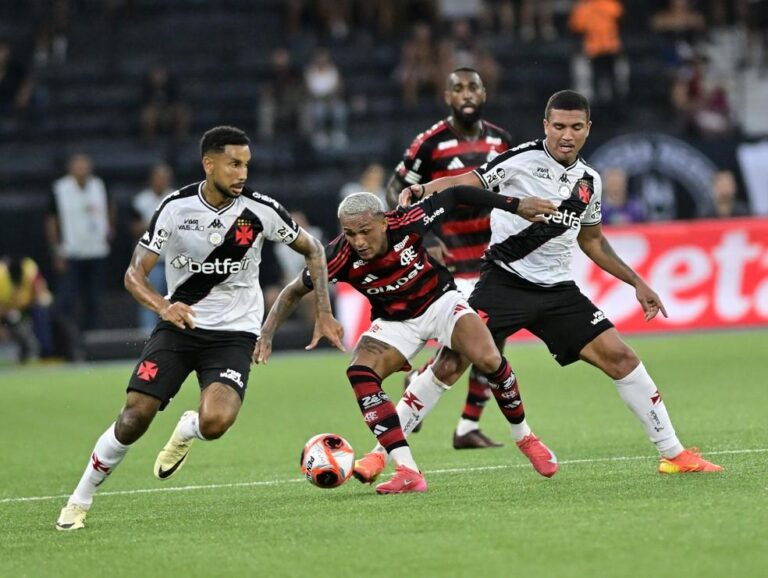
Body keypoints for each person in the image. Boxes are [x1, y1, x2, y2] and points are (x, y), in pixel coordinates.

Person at [398, 90, 723, 475]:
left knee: (622, 358)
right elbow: (470, 180)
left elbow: (592, 240)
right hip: (504, 281)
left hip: (557, 292)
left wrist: (636, 282)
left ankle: (674, 455)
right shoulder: (522, 159)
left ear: (588, 129)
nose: (566, 135)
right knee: (451, 362)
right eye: (559, 126)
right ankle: (379, 449)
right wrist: (424, 190)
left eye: (575, 127)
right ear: (545, 126)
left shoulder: (589, 181)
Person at [55, 126, 344, 531]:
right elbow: (133, 274)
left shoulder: (261, 211)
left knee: (216, 422)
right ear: (209, 164)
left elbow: (313, 249)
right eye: (234, 164)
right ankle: (78, 500)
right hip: (180, 327)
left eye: (246, 164)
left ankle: (188, 427)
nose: (243, 173)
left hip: (234, 334)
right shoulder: (175, 209)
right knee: (134, 417)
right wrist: (163, 306)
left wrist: (324, 311)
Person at [256, 189, 559, 494]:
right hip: (395, 322)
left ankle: (524, 437)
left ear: (384, 223)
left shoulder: (407, 221)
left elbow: (455, 195)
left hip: (440, 303)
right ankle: (408, 471)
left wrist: (516, 205)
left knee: (490, 360)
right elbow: (292, 290)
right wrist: (266, 334)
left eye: (365, 231)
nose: (358, 241)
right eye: (350, 233)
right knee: (360, 373)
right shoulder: (338, 256)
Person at [386, 67, 514, 450]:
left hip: (492, 258)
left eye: (472, 86)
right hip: (449, 259)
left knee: (494, 341)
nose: (466, 94)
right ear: (447, 97)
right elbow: (398, 187)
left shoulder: (502, 141)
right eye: (458, 88)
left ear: (484, 93)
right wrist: (425, 236)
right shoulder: (430, 143)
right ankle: (418, 392)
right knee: (464, 343)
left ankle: (467, 426)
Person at [45, 153, 113, 336]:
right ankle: (66, 338)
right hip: (71, 252)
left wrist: (109, 228)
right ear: (70, 168)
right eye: (78, 165)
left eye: (85, 165)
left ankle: (92, 339)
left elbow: (110, 206)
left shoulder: (99, 185)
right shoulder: (60, 188)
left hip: (96, 250)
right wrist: (56, 250)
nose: (82, 169)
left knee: (94, 298)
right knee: (67, 298)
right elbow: (51, 221)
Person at [131, 163, 175, 334]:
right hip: (150, 263)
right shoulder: (141, 200)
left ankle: (174, 335)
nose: (161, 181)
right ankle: (148, 336)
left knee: (175, 301)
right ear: (151, 179)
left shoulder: (175, 198)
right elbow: (132, 228)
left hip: (173, 262)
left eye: (164, 177)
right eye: (158, 177)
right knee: (149, 300)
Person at [0, 256, 55, 362]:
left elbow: (40, 293)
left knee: (41, 310)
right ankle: (24, 350)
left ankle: (46, 351)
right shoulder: (1, 277)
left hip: (28, 305)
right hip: (7, 309)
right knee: (14, 319)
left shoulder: (30, 270)